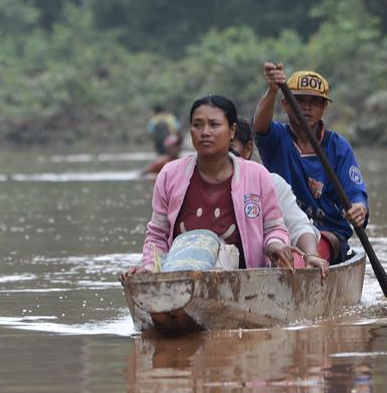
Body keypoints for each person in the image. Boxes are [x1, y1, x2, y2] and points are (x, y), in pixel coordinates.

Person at [121, 95, 293, 283]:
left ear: (232, 130)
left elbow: (274, 229)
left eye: (214, 124)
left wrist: (276, 245)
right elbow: (157, 235)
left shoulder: (257, 175)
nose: (205, 132)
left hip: (245, 283)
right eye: (197, 125)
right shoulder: (170, 174)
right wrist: (148, 267)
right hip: (180, 282)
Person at [253, 63, 369, 265]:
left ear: (324, 107)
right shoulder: (277, 138)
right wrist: (272, 89)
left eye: (314, 102)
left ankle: (307, 261)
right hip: (281, 227)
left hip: (328, 231)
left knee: (311, 251)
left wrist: (359, 208)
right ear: (285, 105)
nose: (306, 107)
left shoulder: (338, 147)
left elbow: (355, 193)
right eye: (299, 100)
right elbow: (260, 126)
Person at [231, 118, 328, 278]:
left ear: (248, 150)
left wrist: (311, 255)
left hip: (260, 272)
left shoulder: (269, 182)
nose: (223, 160)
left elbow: (298, 226)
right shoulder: (191, 182)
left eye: (230, 150)